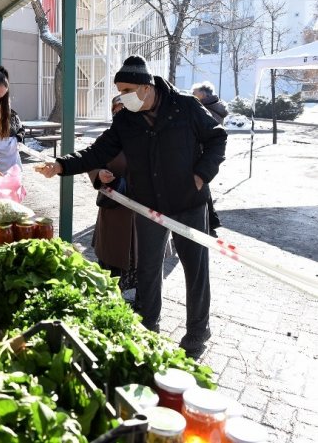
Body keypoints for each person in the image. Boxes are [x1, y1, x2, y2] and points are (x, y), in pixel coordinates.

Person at [35, 55, 227, 357]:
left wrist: (202, 175)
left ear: (146, 87)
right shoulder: (126, 119)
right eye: (120, 90)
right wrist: (60, 165)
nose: (122, 96)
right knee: (148, 269)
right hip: (148, 205)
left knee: (196, 270)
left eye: (126, 89)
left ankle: (196, 335)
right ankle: (148, 329)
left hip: (189, 203)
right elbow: (99, 151)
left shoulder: (186, 107)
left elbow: (217, 138)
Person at [87, 95, 137, 294]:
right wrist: (99, 174)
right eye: (116, 111)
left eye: (124, 110)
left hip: (142, 213)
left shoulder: (149, 135)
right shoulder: (107, 138)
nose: (120, 115)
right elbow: (91, 161)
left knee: (142, 263)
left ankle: (143, 306)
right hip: (114, 212)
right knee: (111, 265)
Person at [192, 81, 226, 236]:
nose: (193, 96)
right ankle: (212, 222)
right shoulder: (214, 106)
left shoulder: (207, 109)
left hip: (204, 154)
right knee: (204, 189)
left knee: (202, 188)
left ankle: (210, 223)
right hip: (204, 153)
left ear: (204, 95)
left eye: (195, 93)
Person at [0, 108, 26, 174]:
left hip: (12, 154)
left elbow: (21, 129)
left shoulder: (13, 113)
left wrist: (17, 138)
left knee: (13, 177)